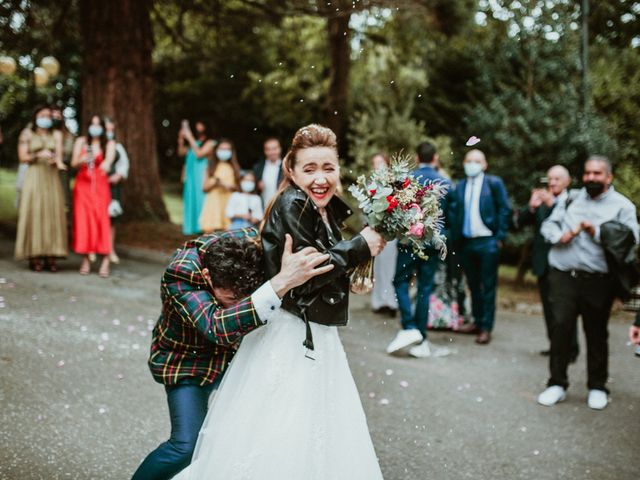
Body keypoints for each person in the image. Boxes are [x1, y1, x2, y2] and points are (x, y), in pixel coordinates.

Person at [174, 124, 386, 480]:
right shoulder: (294, 203)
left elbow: (323, 263)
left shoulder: (320, 207)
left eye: (329, 168)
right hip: (291, 334)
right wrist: (359, 247)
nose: (321, 178)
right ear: (291, 169)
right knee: (283, 431)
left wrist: (352, 269)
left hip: (314, 332)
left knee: (316, 430)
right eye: (310, 169)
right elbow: (302, 280)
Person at [131, 228, 335, 479]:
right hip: (187, 362)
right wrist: (279, 284)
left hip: (238, 358)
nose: (238, 304)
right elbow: (217, 327)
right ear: (207, 277)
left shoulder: (251, 243)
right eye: (230, 300)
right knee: (186, 446)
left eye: (245, 298)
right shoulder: (181, 273)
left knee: (266, 428)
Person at [537, 156, 639, 410]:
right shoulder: (570, 198)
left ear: (609, 177)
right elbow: (548, 225)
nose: (591, 178)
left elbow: (631, 243)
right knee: (560, 329)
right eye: (587, 173)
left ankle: (597, 386)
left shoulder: (622, 206)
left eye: (597, 173)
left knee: (596, 333)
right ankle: (556, 384)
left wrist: (598, 232)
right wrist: (562, 236)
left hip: (598, 280)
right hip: (563, 275)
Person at [386, 142, 452, 358]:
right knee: (425, 287)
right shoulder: (446, 182)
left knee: (400, 281)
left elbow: (394, 209)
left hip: (408, 240)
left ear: (417, 157)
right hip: (433, 242)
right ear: (435, 158)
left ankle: (409, 326)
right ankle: (420, 337)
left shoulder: (407, 180)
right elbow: (451, 217)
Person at [514, 165, 579, 359]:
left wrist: (553, 206)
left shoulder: (573, 201)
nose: (552, 183)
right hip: (544, 263)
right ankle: (556, 347)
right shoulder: (541, 201)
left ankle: (572, 349)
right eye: (550, 179)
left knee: (566, 310)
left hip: (565, 263)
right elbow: (517, 223)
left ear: (567, 181)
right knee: (549, 309)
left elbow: (570, 226)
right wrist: (532, 207)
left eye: (557, 179)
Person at [451, 149, 512, 345]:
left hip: (488, 242)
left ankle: (486, 327)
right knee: (473, 285)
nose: (472, 164)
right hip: (467, 243)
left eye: (477, 161)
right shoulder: (460, 186)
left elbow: (505, 209)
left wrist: (499, 237)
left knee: (488, 286)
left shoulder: (493, 183)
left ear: (484, 165)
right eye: (469, 160)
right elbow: (454, 213)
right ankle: (477, 322)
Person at [14, 106, 68, 271]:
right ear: (35, 117)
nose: (46, 118)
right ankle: (35, 255)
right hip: (34, 176)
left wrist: (56, 161)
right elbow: (23, 157)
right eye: (42, 115)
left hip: (51, 177)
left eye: (48, 115)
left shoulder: (56, 135)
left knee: (52, 212)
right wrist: (38, 155)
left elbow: (59, 157)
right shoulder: (27, 134)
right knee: (35, 212)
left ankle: (51, 255)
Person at [71, 115, 116, 278]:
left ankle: (105, 260)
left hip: (100, 186)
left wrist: (103, 161)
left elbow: (108, 163)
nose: (95, 127)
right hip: (82, 186)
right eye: (92, 124)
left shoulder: (109, 143)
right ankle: (86, 259)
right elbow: (73, 163)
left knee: (102, 221)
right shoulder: (81, 141)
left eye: (99, 124)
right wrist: (83, 159)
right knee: (84, 222)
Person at [369, 153, 399, 317]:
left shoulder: (394, 184)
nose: (378, 166)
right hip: (375, 230)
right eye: (375, 163)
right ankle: (379, 300)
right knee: (378, 268)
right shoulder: (370, 185)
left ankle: (391, 301)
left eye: (381, 163)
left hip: (390, 231)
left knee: (390, 267)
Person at [179, 120, 216, 235]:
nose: (198, 126)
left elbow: (199, 154)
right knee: (191, 201)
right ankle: (193, 230)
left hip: (201, 176)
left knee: (201, 202)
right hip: (190, 177)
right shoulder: (194, 142)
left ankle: (203, 229)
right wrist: (181, 139)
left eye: (201, 124)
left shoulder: (211, 142)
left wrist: (189, 137)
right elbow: (181, 153)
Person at [104, 117, 130, 264]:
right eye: (107, 129)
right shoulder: (98, 146)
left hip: (113, 188)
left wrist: (118, 175)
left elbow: (124, 164)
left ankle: (110, 249)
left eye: (111, 129)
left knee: (111, 219)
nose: (109, 132)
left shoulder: (118, 147)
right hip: (97, 188)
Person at [199, 139, 240, 233]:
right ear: (216, 150)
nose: (224, 151)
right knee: (209, 233)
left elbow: (238, 188)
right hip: (213, 204)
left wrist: (231, 186)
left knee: (228, 233)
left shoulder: (234, 167)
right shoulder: (211, 166)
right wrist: (215, 182)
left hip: (229, 203)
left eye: (227, 149)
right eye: (222, 149)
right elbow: (204, 188)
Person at [51, 106, 75, 219]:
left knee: (63, 200)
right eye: (53, 116)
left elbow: (69, 153)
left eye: (58, 116)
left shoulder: (68, 135)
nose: (55, 118)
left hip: (62, 172)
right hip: (46, 170)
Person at [253, 137, 284, 207]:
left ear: (280, 149)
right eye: (268, 149)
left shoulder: (286, 168)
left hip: (280, 206)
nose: (272, 152)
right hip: (262, 207)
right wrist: (257, 186)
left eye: (274, 149)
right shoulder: (258, 167)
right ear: (265, 151)